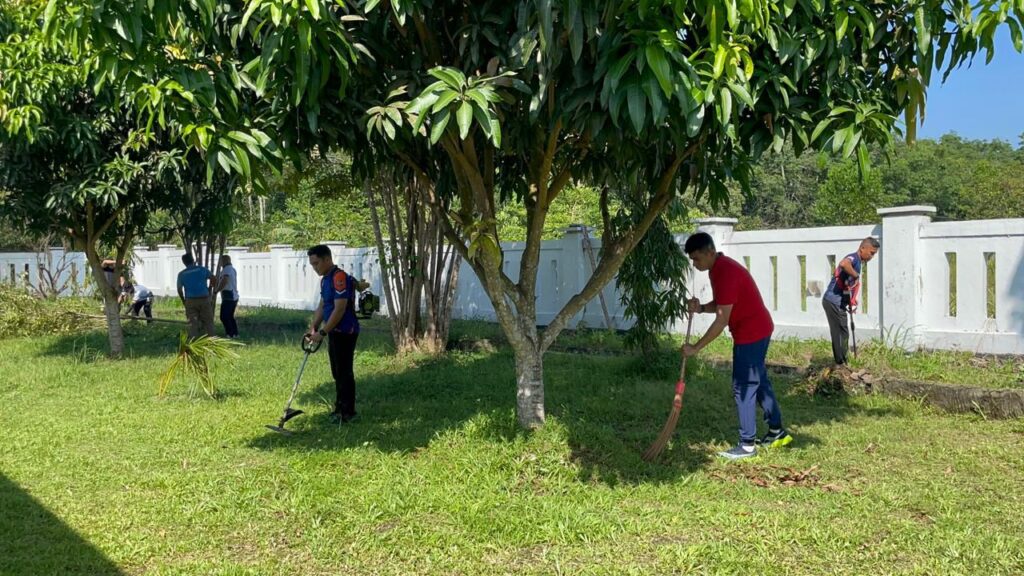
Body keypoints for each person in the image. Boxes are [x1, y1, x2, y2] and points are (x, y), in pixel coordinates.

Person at [681, 232, 792, 460]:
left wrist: (696, 348)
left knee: (744, 386)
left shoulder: (726, 272)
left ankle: (747, 445)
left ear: (710, 252)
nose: (695, 264)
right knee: (759, 381)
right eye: (692, 260)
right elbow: (723, 303)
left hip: (751, 334)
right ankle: (777, 432)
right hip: (758, 329)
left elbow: (722, 319)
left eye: (697, 259)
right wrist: (700, 308)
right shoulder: (717, 269)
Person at [305, 244, 370, 423]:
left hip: (345, 331)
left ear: (327, 259)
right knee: (337, 371)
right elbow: (323, 305)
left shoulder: (339, 277)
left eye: (316, 263)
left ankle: (348, 412)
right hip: (333, 331)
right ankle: (339, 408)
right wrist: (313, 327)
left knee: (344, 372)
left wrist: (323, 332)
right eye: (312, 264)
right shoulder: (325, 280)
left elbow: (340, 308)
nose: (314, 268)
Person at [822, 237, 880, 366]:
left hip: (839, 302)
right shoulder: (853, 258)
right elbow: (844, 264)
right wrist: (856, 275)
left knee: (843, 331)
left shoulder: (858, 261)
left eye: (874, 254)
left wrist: (851, 300)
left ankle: (843, 361)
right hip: (833, 301)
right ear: (862, 248)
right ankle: (841, 363)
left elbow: (847, 284)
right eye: (871, 253)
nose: (872, 257)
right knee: (840, 332)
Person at [176, 253, 214, 338]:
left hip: (190, 300)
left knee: (192, 323)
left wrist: (183, 300)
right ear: (193, 260)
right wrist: (209, 289)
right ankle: (211, 340)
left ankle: (194, 342)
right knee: (208, 321)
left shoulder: (182, 274)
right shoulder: (202, 269)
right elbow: (213, 278)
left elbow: (179, 289)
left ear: (184, 262)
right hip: (204, 299)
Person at [216, 255, 240, 338]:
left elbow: (224, 280)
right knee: (230, 316)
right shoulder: (232, 269)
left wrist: (217, 290)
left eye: (220, 261)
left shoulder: (226, 270)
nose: (219, 263)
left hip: (229, 295)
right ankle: (235, 333)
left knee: (224, 316)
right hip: (233, 295)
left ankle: (230, 333)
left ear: (224, 261)